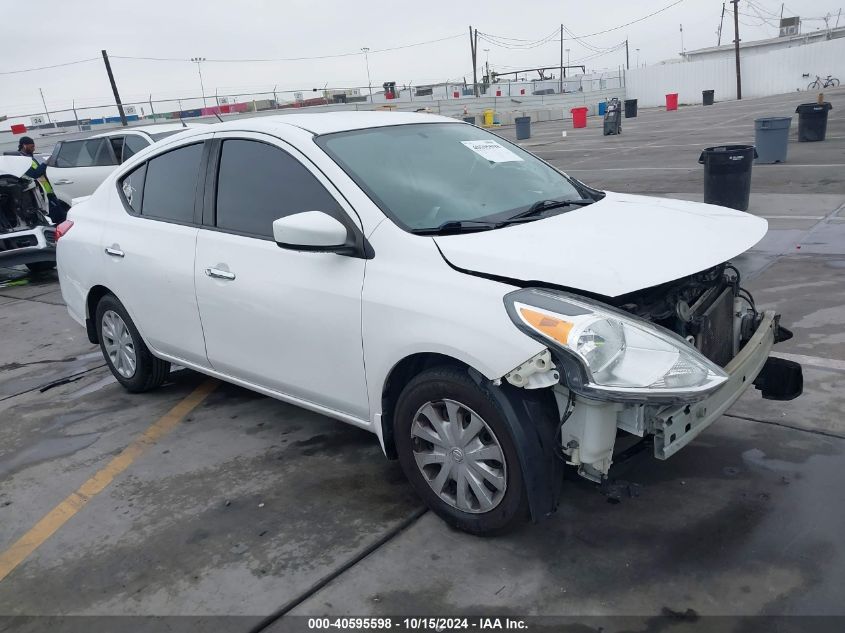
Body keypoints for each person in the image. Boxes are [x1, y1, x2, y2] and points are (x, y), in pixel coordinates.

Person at [17, 136, 67, 224]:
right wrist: (45, 163)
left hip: (47, 192)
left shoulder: (29, 157)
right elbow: (34, 174)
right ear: (24, 146)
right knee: (58, 218)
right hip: (40, 194)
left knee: (60, 216)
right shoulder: (21, 160)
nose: (34, 149)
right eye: (32, 146)